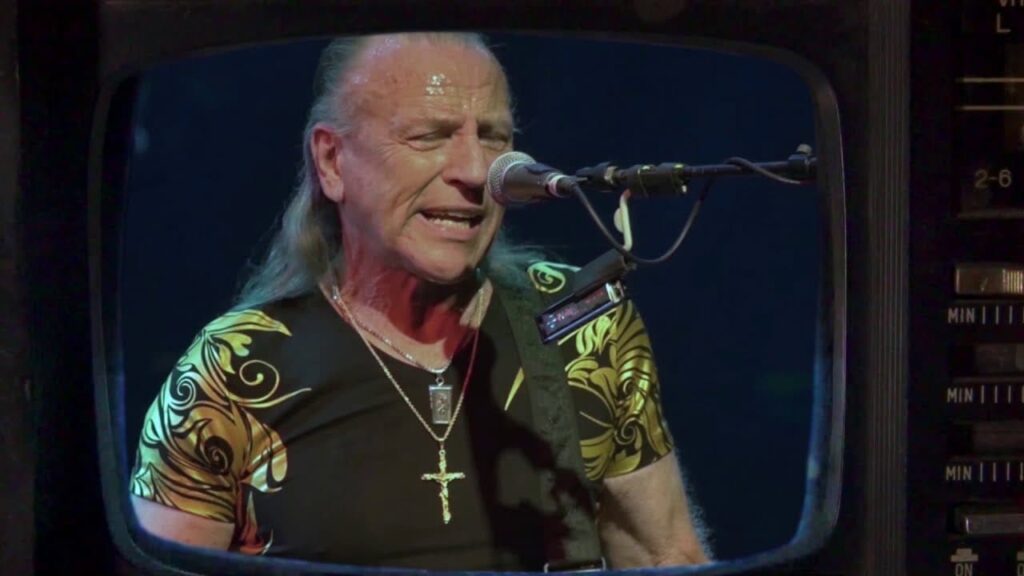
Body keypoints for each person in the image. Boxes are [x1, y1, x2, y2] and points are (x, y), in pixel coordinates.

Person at [129, 32, 710, 571]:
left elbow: (665, 555)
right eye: (429, 136)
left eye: (494, 137)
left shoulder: (584, 324)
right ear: (332, 161)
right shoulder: (231, 370)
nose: (476, 172)